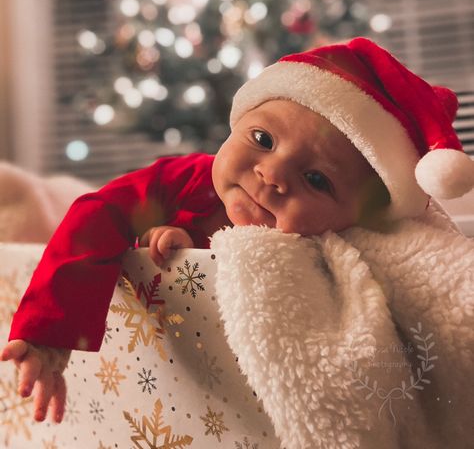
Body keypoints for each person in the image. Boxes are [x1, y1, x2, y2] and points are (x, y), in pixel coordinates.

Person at [2, 37, 473, 425]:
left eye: (316, 180)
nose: (271, 174)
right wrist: (51, 330)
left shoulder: (343, 250)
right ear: (237, 122)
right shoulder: (187, 181)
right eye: (262, 139)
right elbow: (99, 215)